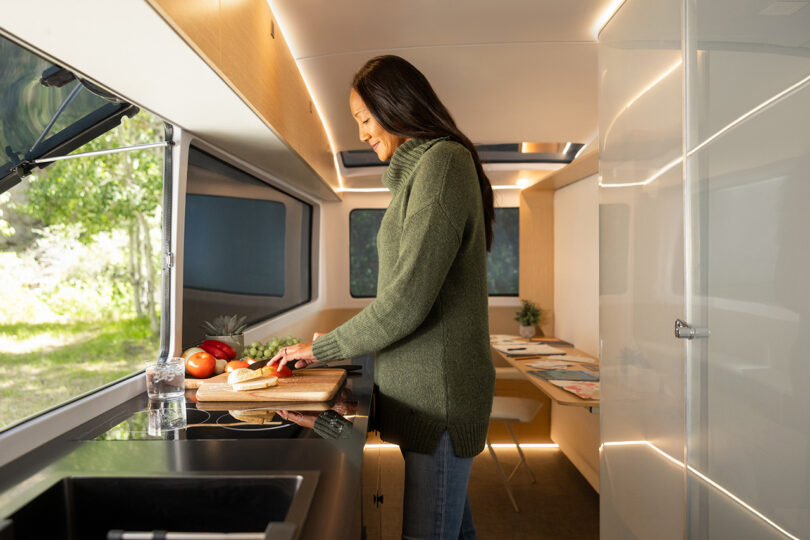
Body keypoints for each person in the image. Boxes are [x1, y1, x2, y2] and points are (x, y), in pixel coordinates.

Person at [270, 55, 495, 540]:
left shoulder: (442, 164)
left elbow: (406, 303)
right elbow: (414, 308)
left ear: (396, 107)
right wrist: (362, 385)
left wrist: (319, 348)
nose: (362, 133)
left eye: (365, 118)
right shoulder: (422, 174)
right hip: (428, 399)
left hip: (441, 404)